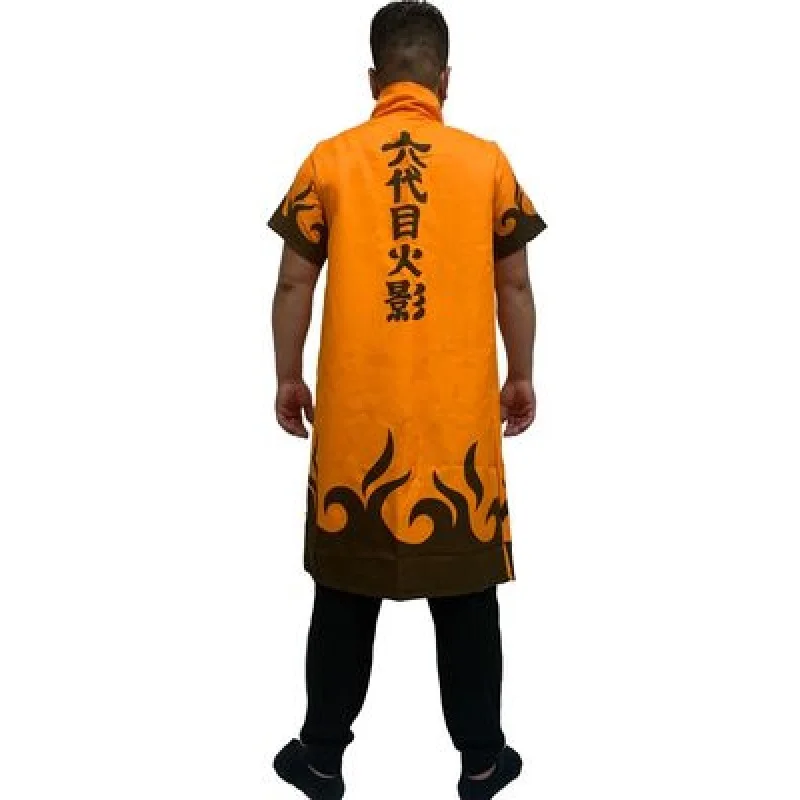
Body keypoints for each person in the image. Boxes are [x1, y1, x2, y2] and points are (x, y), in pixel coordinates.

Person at [267, 2, 546, 798]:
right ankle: (482, 762)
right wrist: (521, 374)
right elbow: (514, 285)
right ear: (445, 80)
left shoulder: (328, 161)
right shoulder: (487, 163)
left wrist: (288, 375)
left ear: (373, 78)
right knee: (466, 597)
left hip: (358, 426)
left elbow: (293, 284)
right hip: (456, 427)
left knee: (344, 594)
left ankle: (322, 758)